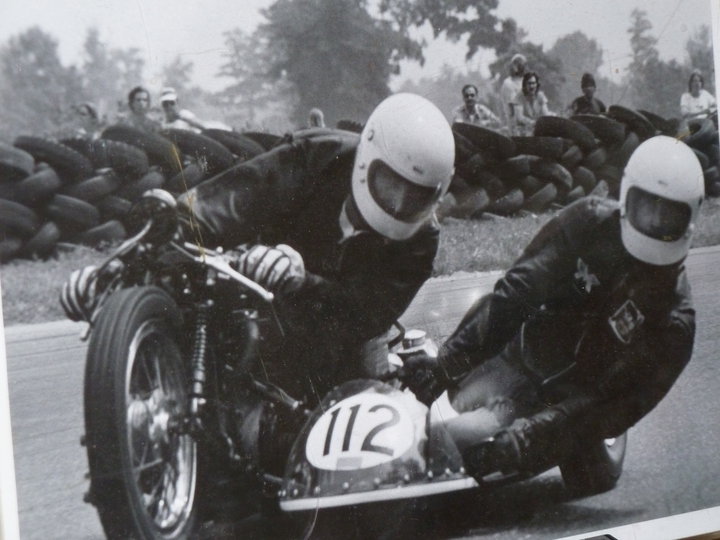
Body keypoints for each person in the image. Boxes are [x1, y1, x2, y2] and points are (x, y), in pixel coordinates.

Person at [60, 93, 455, 402]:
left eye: (415, 196)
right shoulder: (315, 156)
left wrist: (303, 279)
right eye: (391, 184)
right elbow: (218, 206)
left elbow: (366, 314)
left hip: (338, 332)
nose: (400, 203)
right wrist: (113, 275)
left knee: (364, 425)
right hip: (250, 283)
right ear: (369, 157)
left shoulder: (421, 242)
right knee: (186, 289)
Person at [401, 135, 702, 481]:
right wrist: (447, 364)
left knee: (458, 449)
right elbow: (517, 292)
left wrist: (529, 437)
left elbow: (615, 405)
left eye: (668, 216)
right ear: (626, 196)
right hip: (517, 358)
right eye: (647, 207)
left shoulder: (675, 322)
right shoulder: (588, 221)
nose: (655, 222)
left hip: (568, 406)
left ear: (690, 219)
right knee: (424, 427)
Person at [514, 72, 551, 136]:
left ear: (537, 84)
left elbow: (545, 114)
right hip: (523, 130)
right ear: (525, 85)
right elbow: (519, 117)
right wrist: (533, 123)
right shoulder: (519, 96)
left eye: (533, 83)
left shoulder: (540, 96)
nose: (531, 86)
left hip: (538, 129)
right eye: (529, 83)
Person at [499, 53, 527, 134]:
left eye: (522, 64)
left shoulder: (524, 82)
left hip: (526, 126)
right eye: (518, 64)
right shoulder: (508, 83)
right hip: (515, 129)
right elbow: (517, 115)